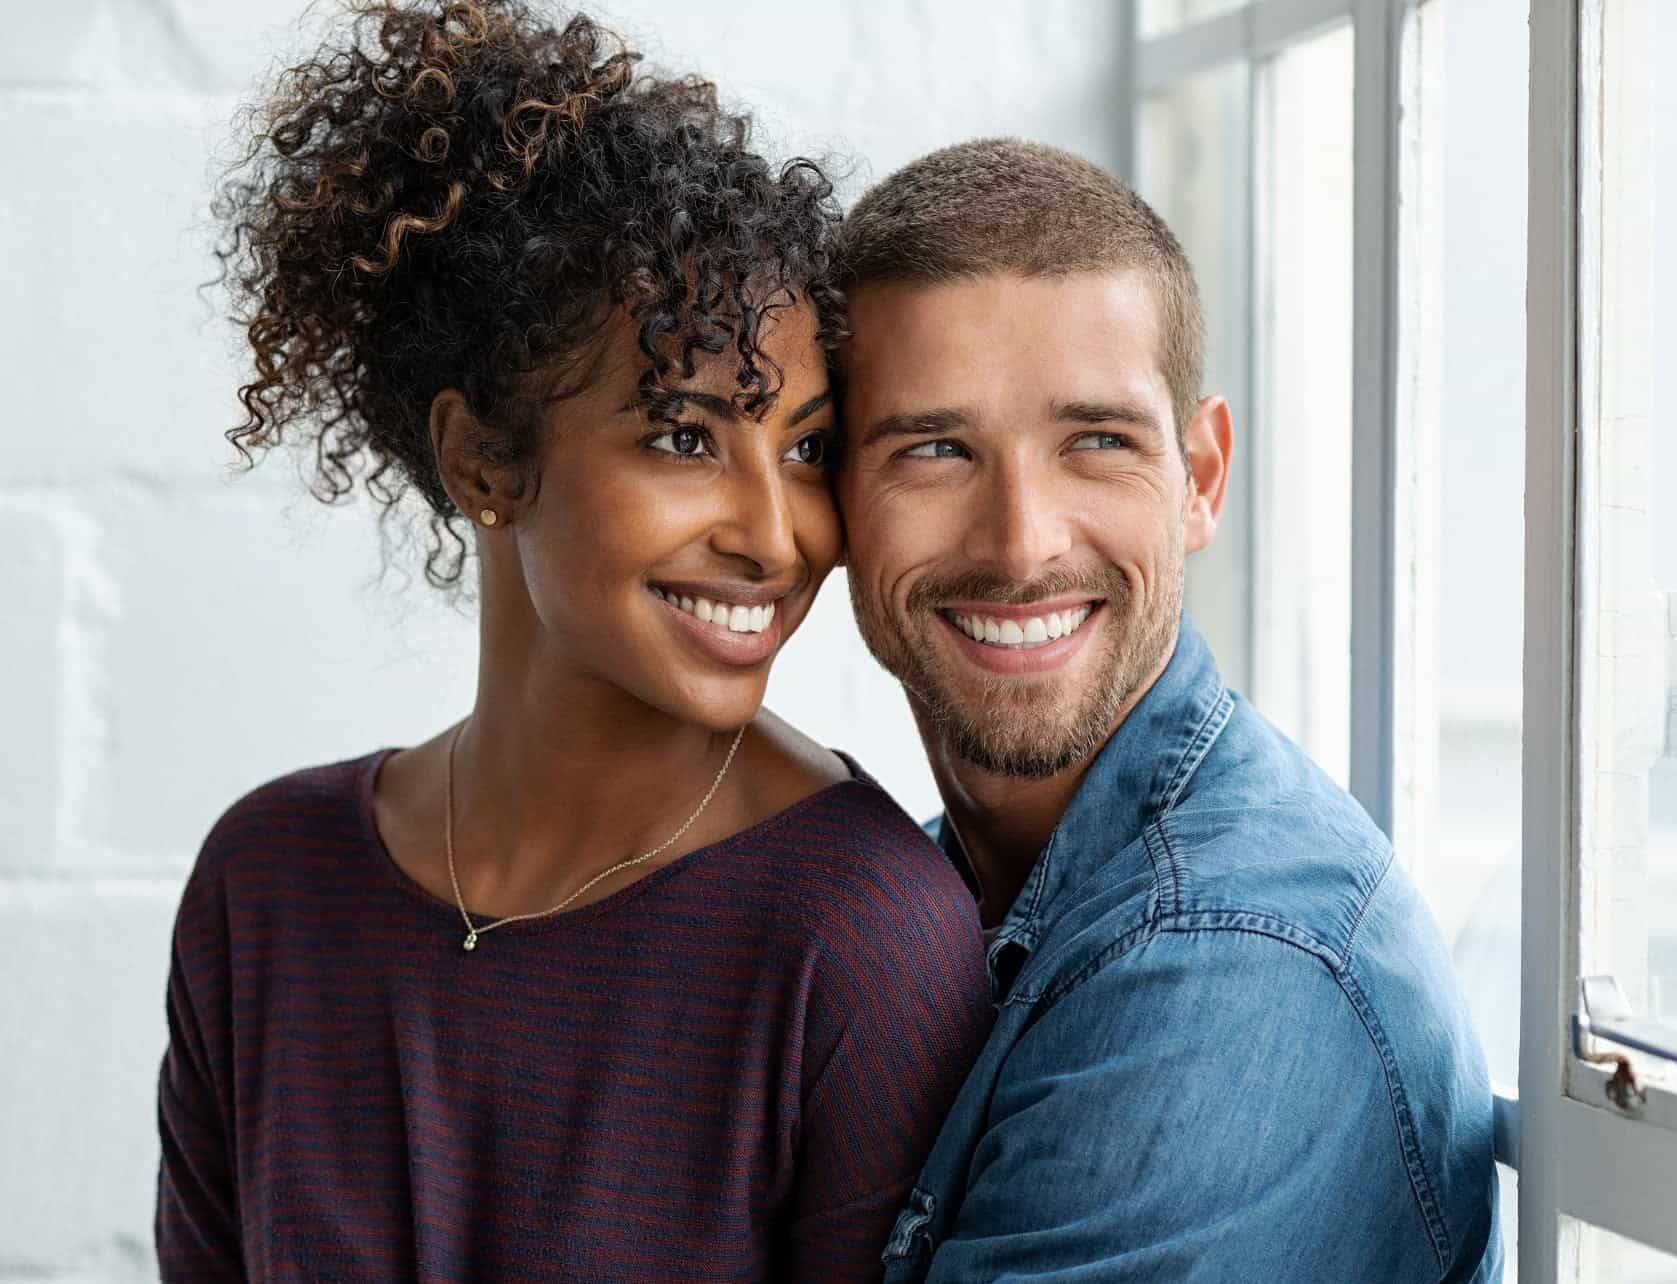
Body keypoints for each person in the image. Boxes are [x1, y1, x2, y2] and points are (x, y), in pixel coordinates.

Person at [154, 3, 989, 1278]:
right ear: (482, 456)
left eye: (806, 448)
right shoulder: (266, 885)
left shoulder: (862, 942)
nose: (776, 535)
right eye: (683, 435)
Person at [835, 139, 1504, 1281]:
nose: (1020, 542)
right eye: (935, 450)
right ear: (829, 492)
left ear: (1199, 476)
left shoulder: (1227, 964)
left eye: (1097, 442)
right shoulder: (946, 888)